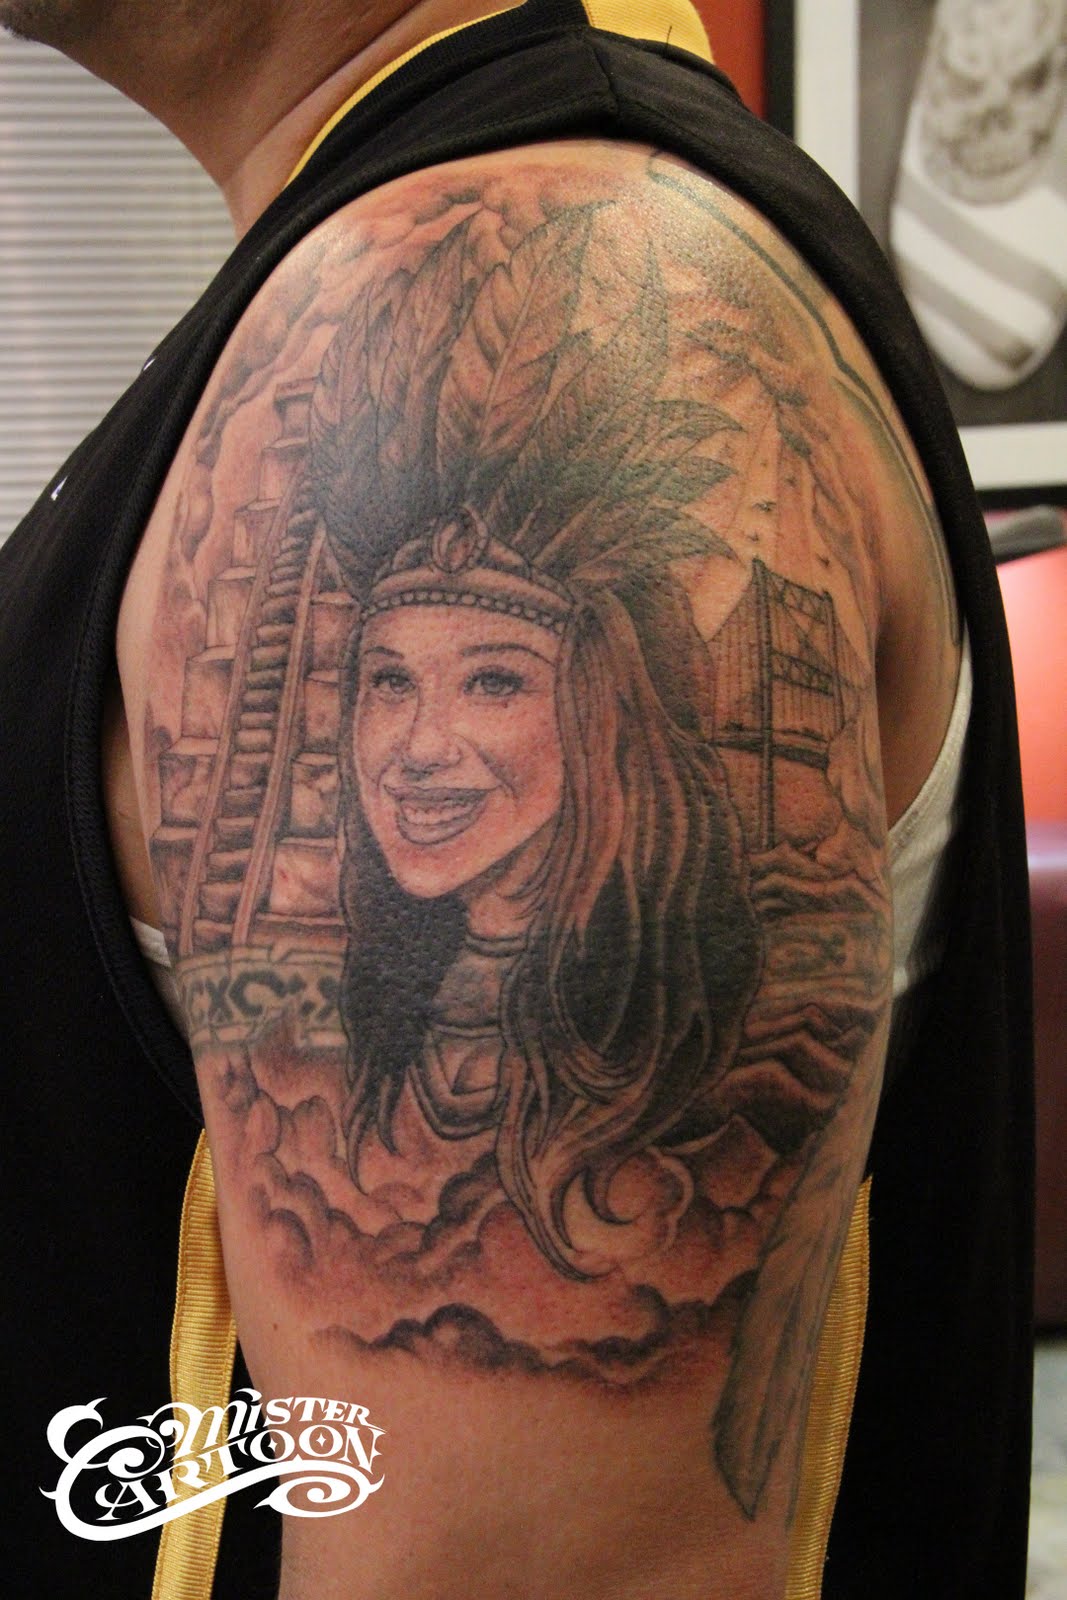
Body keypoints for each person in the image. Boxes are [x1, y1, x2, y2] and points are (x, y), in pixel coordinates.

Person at [0, 1, 1033, 1597]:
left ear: (607, 712)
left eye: (493, 684)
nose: (420, 748)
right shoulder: (362, 259)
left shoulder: (561, 275)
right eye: (387, 683)